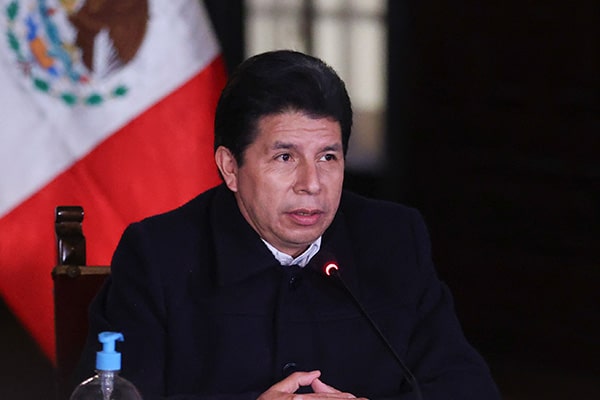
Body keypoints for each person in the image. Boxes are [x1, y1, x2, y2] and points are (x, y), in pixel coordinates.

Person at [75, 50, 501, 400]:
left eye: (328, 157)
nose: (311, 184)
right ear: (230, 167)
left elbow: (467, 387)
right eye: (285, 157)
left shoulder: (393, 239)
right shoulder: (158, 254)